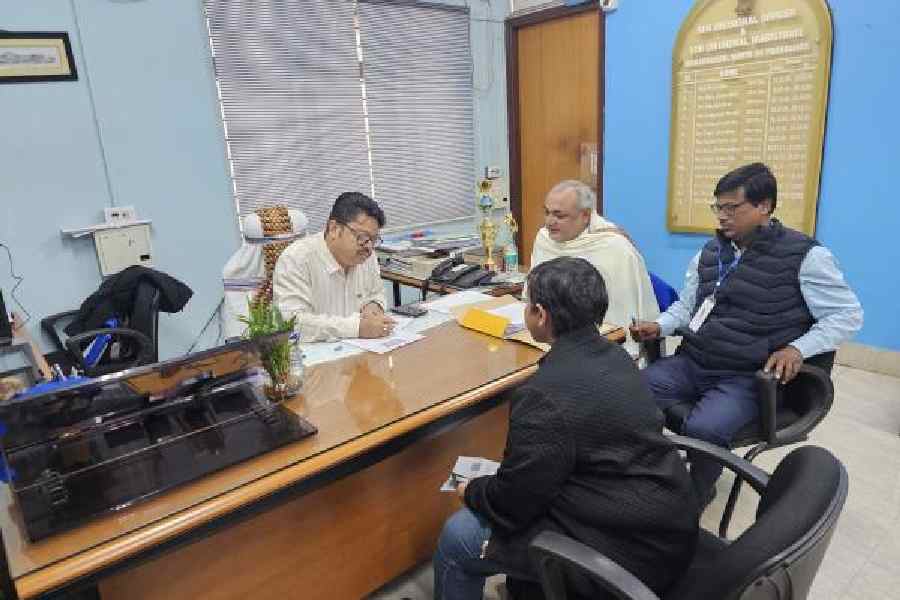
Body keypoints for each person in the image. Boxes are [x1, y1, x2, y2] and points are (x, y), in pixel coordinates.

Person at [433, 257, 699, 600]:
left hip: (627, 557)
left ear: (541, 315)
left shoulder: (542, 396)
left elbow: (512, 506)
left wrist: (472, 490)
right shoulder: (616, 356)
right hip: (668, 523)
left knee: (459, 536)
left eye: (527, 304)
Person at [631, 163, 863, 504]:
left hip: (747, 376)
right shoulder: (711, 252)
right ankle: (651, 472)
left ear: (764, 206)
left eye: (731, 208)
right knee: (629, 391)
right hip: (695, 361)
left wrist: (798, 349)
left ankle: (696, 495)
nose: (722, 217)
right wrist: (661, 325)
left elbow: (847, 315)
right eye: (718, 207)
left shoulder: (806, 256)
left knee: (705, 428)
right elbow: (689, 306)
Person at [528, 180, 659, 356]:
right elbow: (533, 297)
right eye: (547, 212)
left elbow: (623, 316)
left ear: (585, 215)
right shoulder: (544, 239)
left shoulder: (615, 247)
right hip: (544, 339)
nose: (549, 221)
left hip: (600, 345)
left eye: (559, 216)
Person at [274, 192, 395, 342]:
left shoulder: (366, 256)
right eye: (362, 237)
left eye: (374, 239)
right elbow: (292, 323)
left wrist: (374, 306)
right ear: (334, 229)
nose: (369, 247)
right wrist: (356, 328)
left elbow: (376, 292)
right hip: (314, 352)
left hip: (361, 349)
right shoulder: (296, 259)